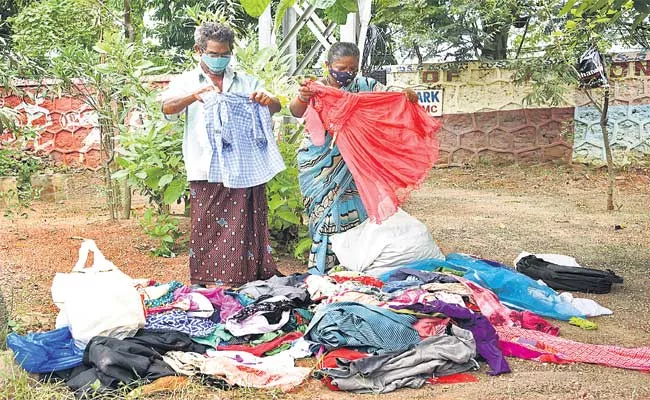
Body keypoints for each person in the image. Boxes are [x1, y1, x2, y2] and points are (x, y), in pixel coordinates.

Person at [161, 22, 282, 287]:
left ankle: (245, 280)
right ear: (199, 50)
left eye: (224, 54)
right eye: (213, 54)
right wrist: (193, 97)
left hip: (244, 167)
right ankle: (205, 283)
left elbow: (276, 106)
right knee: (206, 227)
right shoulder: (187, 82)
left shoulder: (244, 81)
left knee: (245, 226)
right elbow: (167, 107)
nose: (219, 59)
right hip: (204, 167)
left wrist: (267, 100)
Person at [289, 42, 419, 274]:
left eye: (352, 69)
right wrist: (302, 96)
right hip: (319, 164)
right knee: (326, 215)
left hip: (356, 165)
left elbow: (389, 95)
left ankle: (350, 268)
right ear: (327, 65)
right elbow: (295, 111)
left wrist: (404, 95)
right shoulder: (315, 88)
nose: (347, 74)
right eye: (341, 68)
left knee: (356, 216)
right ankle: (322, 270)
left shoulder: (364, 85)